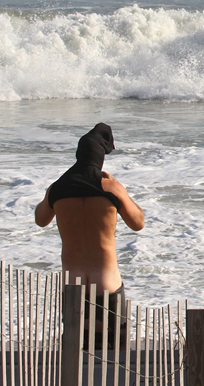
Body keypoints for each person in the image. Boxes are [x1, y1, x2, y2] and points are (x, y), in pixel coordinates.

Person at [35, 123, 144, 342]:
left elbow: (41, 220)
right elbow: (138, 223)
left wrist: (51, 193)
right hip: (106, 282)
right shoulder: (110, 188)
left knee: (76, 357)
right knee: (113, 361)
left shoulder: (58, 188)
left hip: (73, 284)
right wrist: (119, 191)